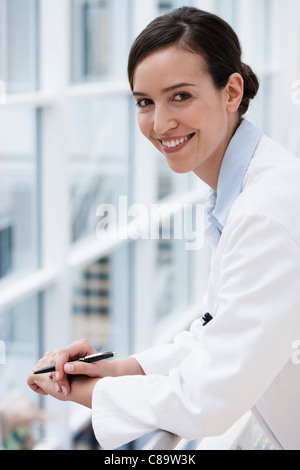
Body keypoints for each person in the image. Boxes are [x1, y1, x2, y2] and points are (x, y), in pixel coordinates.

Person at [27, 7, 300, 450]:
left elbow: (209, 398)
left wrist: (95, 394)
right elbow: (220, 332)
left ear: (231, 92)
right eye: (144, 102)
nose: (159, 124)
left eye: (180, 96)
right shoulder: (242, 189)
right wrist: (119, 368)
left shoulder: (264, 212)